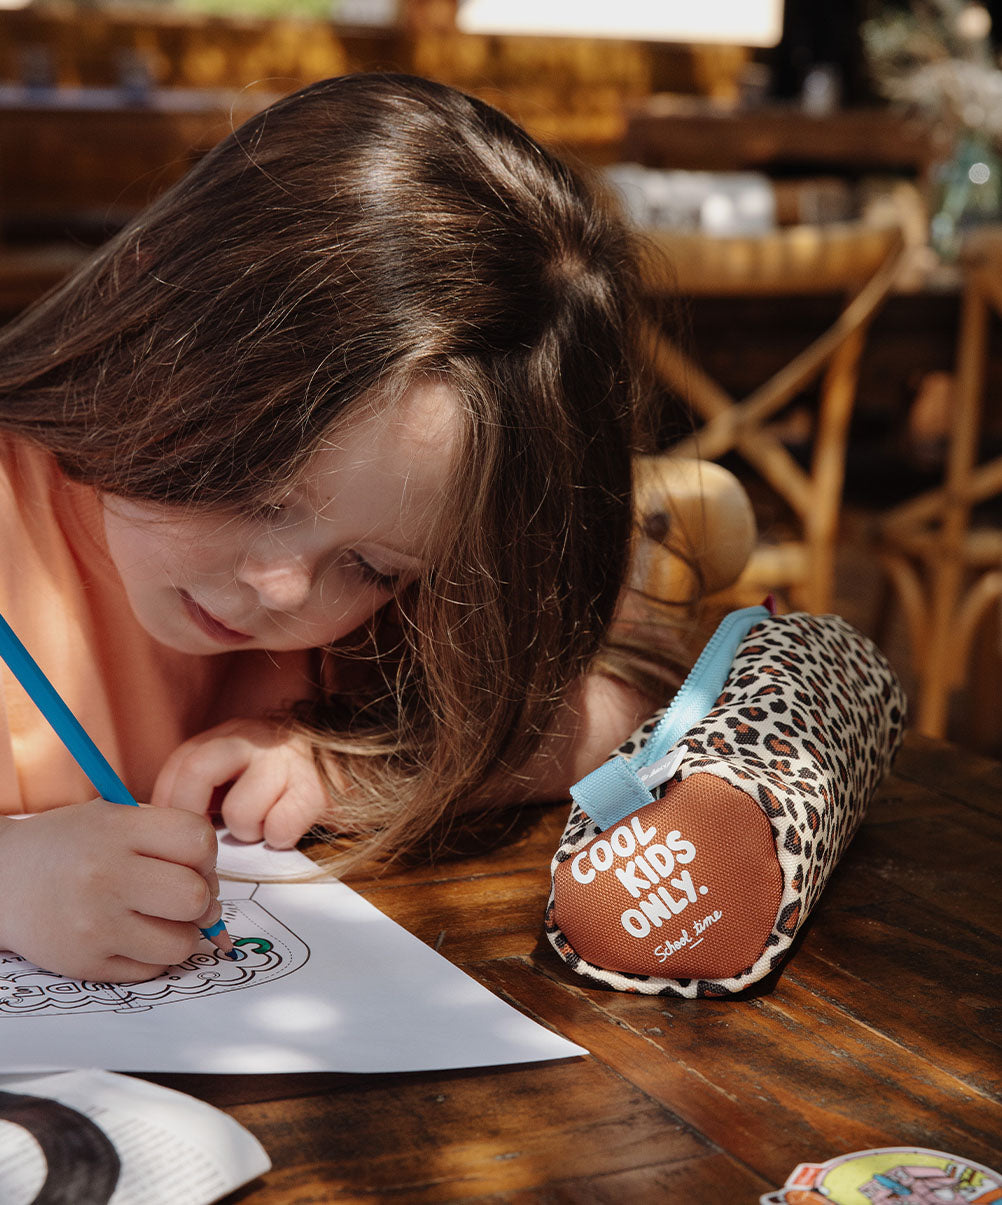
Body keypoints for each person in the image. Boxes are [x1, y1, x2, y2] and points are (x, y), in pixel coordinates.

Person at [0, 72, 687, 985]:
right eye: (257, 493)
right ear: (154, 332)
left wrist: (357, 766)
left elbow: (636, 707)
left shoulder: (435, 527)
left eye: (372, 566)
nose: (286, 586)